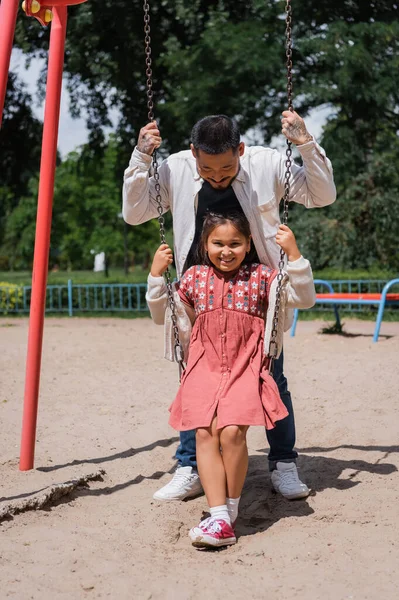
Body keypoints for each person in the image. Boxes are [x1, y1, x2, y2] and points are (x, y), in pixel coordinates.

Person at [122, 111, 336, 502]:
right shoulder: (175, 168)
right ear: (193, 154)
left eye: (225, 168)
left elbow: (322, 195)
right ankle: (189, 466)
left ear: (241, 150)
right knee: (195, 385)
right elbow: (135, 213)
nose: (216, 177)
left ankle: (283, 463)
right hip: (199, 292)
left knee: (272, 379)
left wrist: (304, 143)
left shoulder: (268, 163)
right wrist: (141, 157)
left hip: (255, 292)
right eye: (207, 169)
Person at [146, 212, 315, 548]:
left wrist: (294, 256)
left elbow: (304, 299)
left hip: (246, 365)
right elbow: (163, 316)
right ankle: (219, 515)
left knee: (233, 432)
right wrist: (155, 275)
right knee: (205, 433)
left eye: (235, 243)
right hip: (204, 367)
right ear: (205, 245)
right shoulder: (194, 278)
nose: (226, 250)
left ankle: (230, 510)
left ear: (248, 244)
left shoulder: (263, 277)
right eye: (218, 243)